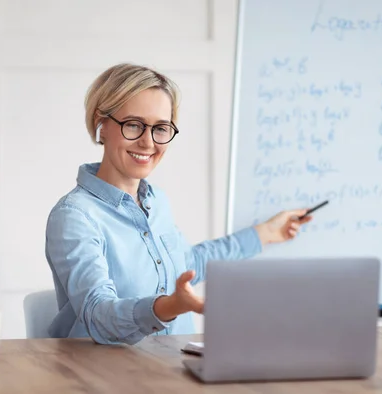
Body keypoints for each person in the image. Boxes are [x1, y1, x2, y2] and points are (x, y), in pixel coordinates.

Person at [45, 63, 313, 345]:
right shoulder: (75, 216)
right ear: (102, 124)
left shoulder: (156, 201)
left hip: (175, 363)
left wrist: (267, 233)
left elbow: (188, 265)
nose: (148, 142)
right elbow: (98, 314)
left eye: (160, 128)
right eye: (134, 125)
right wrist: (170, 306)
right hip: (111, 375)